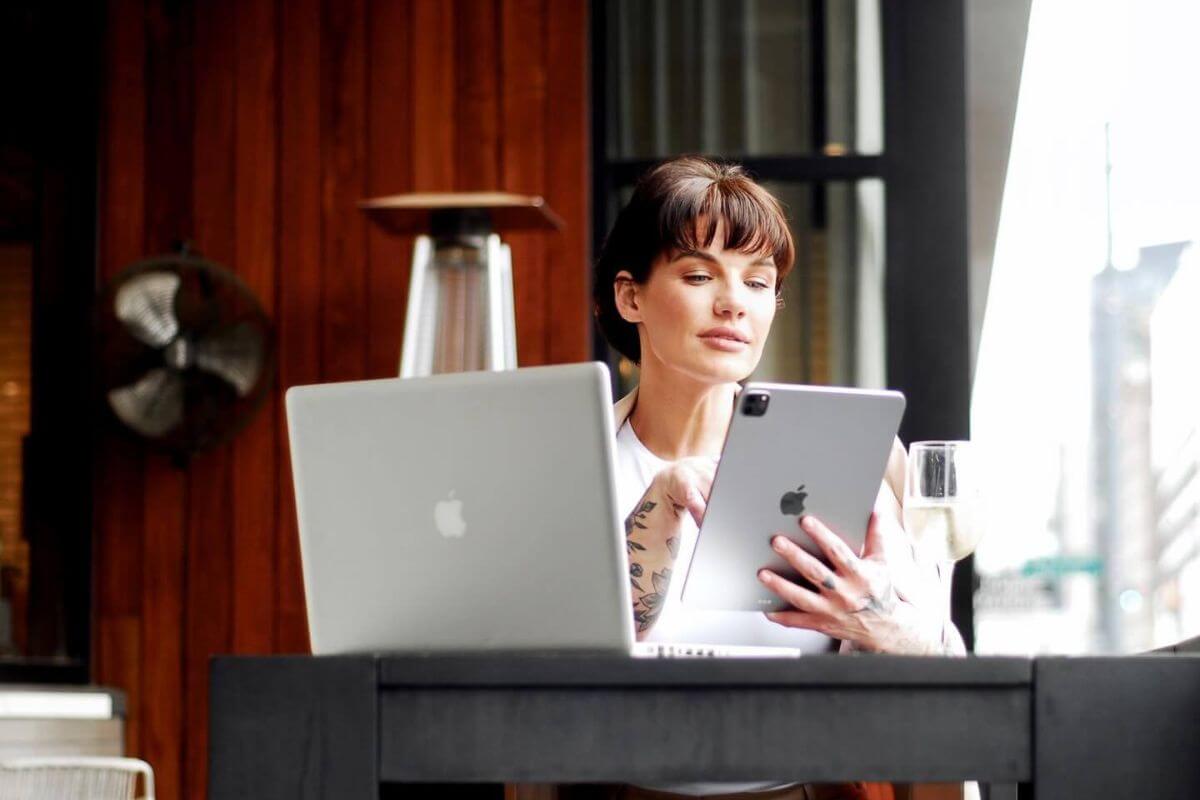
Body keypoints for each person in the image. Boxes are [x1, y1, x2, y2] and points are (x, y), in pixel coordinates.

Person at [590, 156, 966, 800]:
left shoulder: (841, 453)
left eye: (758, 282)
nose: (733, 302)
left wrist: (879, 623)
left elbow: (942, 664)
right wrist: (660, 504)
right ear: (631, 297)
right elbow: (562, 662)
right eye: (699, 274)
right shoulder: (583, 460)